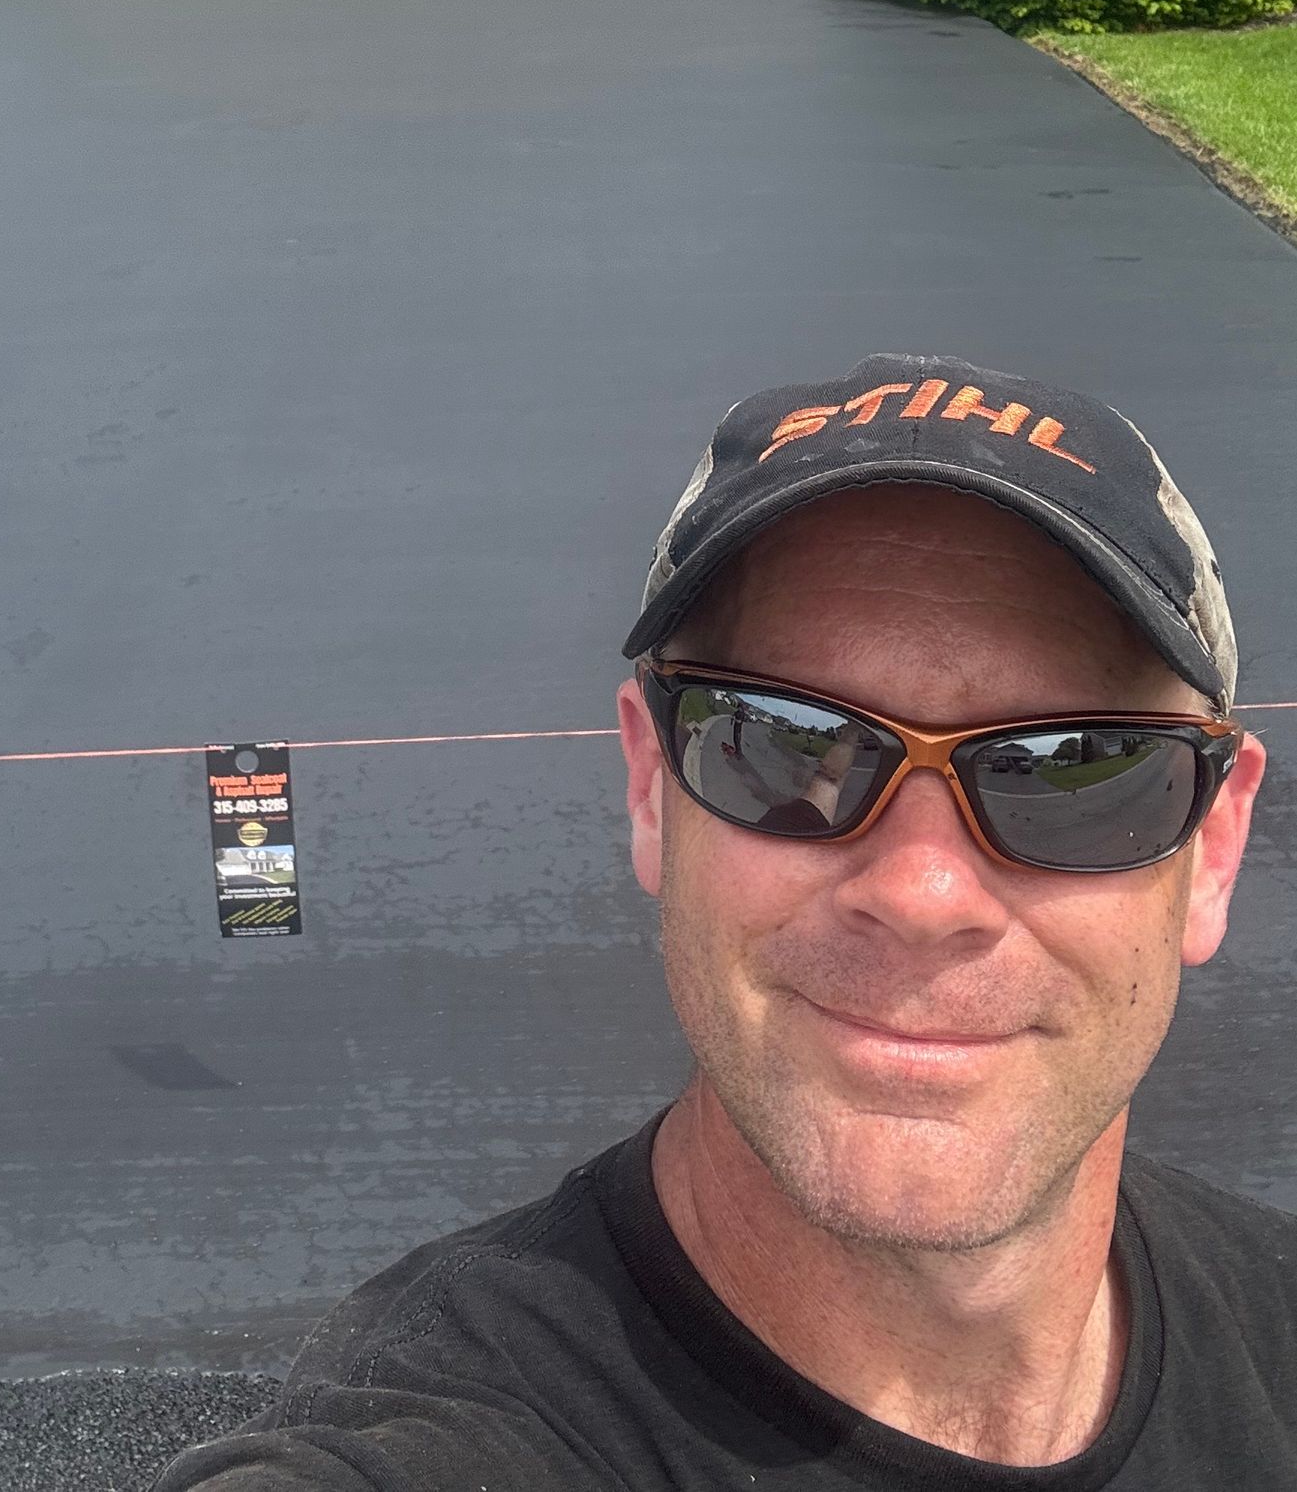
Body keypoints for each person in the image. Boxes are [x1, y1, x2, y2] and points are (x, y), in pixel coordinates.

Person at [159, 354, 1294, 1488]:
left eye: (1070, 767)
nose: (921, 895)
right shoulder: (450, 1441)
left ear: (1214, 849)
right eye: (786, 742)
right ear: (651, 787)